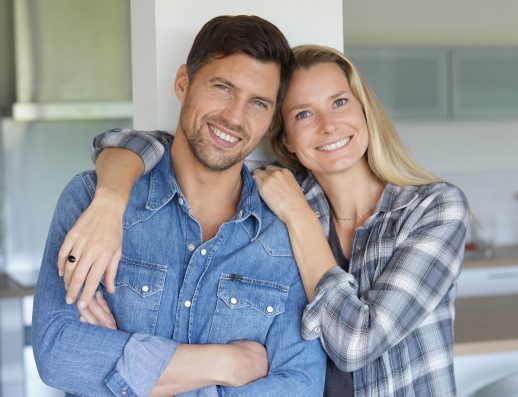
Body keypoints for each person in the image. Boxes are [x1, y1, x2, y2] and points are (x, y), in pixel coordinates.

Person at [61, 45, 469, 396]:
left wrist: (297, 215)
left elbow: (355, 345)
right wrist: (109, 202)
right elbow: (173, 148)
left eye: (339, 102)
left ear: (364, 110)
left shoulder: (433, 209)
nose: (328, 125)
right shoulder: (275, 188)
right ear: (285, 137)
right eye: (303, 114)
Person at [32, 15, 326, 397]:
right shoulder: (93, 200)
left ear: (271, 118)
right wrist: (227, 364)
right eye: (222, 88)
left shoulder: (286, 231)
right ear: (183, 82)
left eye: (258, 103)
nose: (235, 117)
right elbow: (58, 353)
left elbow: (298, 386)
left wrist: (136, 373)